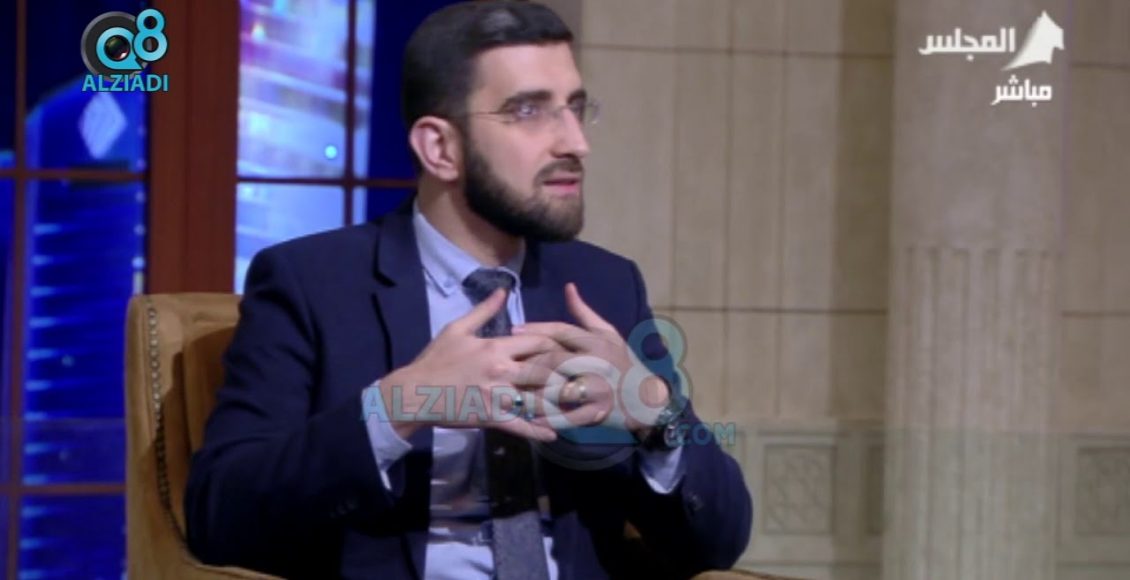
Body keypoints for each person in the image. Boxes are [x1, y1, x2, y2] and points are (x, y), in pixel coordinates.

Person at [184, 2, 752, 578]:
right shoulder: (311, 283)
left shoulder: (605, 285)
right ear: (440, 149)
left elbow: (719, 543)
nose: (575, 142)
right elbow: (219, 516)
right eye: (529, 111)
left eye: (575, 108)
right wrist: (397, 406)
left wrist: (655, 411)